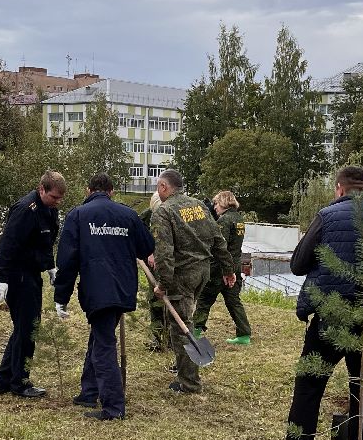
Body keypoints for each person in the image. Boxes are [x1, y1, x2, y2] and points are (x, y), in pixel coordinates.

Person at [277, 165, 363, 440]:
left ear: (340, 189)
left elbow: (298, 263)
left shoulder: (327, 216)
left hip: (331, 315)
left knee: (309, 387)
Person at [52, 173, 156, 420]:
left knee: (103, 347)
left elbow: (67, 261)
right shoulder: (129, 215)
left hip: (98, 289)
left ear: (88, 190)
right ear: (111, 191)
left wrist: (61, 297)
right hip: (122, 288)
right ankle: (89, 392)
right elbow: (147, 247)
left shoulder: (77, 215)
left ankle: (113, 407)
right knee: (101, 335)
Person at [149, 169, 234, 395]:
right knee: (187, 319)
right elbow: (218, 239)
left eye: (159, 186)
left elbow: (164, 253)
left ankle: (189, 383)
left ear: (164, 187)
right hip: (202, 273)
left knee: (181, 327)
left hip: (182, 276)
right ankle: (187, 374)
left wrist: (163, 284)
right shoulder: (198, 205)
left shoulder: (163, 212)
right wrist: (228, 268)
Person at [0, 171, 66, 397]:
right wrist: (1, 278)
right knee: (28, 330)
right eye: (54, 197)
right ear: (41, 189)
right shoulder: (26, 210)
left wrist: (50, 266)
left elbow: (44, 243)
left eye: (60, 199)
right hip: (18, 275)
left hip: (32, 274)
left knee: (23, 328)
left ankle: (3, 380)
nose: (57, 202)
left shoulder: (49, 211)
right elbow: (7, 245)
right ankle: (20, 383)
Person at [192, 190, 253, 345]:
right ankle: (244, 334)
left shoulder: (224, 221)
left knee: (205, 299)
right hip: (236, 264)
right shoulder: (239, 219)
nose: (215, 207)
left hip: (220, 268)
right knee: (233, 301)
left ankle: (196, 330)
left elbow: (220, 246)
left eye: (216, 203)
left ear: (224, 202)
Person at [140, 190, 168, 351]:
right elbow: (141, 234)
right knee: (156, 297)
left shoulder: (172, 213)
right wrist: (150, 252)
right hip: (152, 261)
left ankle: (171, 338)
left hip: (169, 260)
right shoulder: (147, 216)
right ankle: (158, 338)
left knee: (172, 298)